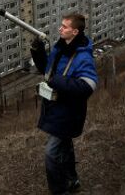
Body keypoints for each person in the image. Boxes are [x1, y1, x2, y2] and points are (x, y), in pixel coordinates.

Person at [30, 13, 98, 195]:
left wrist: (58, 81)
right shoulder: (60, 48)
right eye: (61, 25)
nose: (60, 29)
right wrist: (37, 51)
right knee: (65, 147)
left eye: (65, 27)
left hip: (69, 113)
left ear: (75, 31)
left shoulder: (83, 57)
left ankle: (60, 191)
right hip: (55, 109)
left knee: (51, 155)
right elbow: (48, 71)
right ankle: (72, 179)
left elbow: (88, 86)